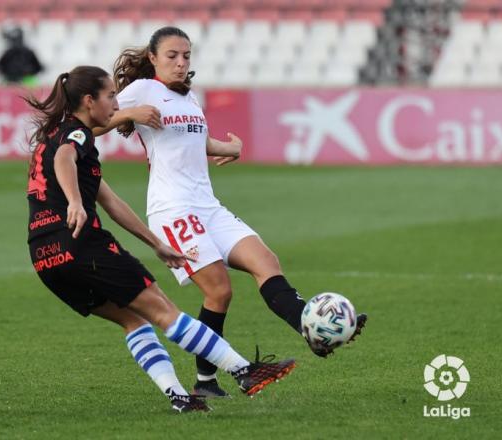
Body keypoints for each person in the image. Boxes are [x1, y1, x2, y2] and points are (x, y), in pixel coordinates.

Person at [93, 27, 368, 398]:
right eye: (172, 55)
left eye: (186, 55)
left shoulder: (189, 98)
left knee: (266, 262)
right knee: (219, 290)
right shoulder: (142, 90)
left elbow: (193, 141)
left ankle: (312, 329)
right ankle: (209, 379)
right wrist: (130, 111)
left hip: (208, 205)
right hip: (172, 209)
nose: (180, 62)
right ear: (154, 58)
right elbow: (89, 124)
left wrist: (228, 147)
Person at [24, 65, 297, 413]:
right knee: (164, 310)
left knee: (133, 319)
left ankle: (180, 397)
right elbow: (66, 158)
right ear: (89, 101)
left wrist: (155, 243)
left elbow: (112, 203)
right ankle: (244, 371)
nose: (115, 103)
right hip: (81, 243)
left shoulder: (53, 137)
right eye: (109, 96)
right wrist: (75, 203)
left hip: (46, 257)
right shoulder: (76, 137)